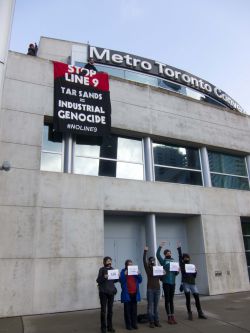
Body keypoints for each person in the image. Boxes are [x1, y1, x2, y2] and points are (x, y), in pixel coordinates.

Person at [177, 243, 207, 320]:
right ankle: (189, 313)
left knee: (197, 297)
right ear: (183, 259)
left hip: (192, 283)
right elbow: (180, 257)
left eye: (188, 257)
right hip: (185, 283)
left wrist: (195, 271)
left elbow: (194, 276)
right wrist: (179, 248)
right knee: (188, 298)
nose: (187, 258)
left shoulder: (192, 265)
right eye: (185, 257)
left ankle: (200, 313)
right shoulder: (182, 264)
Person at [156, 242, 179, 324]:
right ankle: (168, 316)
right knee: (167, 300)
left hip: (173, 282)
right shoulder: (163, 261)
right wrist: (160, 246)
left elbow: (176, 273)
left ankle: (173, 316)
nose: (169, 254)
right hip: (166, 282)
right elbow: (157, 255)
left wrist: (178, 271)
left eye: (170, 253)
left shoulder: (173, 261)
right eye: (168, 253)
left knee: (171, 300)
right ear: (165, 254)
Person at [96, 256, 119, 333]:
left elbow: (114, 281)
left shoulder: (113, 270)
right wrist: (104, 277)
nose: (109, 262)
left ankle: (110, 326)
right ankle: (103, 328)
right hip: (103, 292)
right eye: (108, 261)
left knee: (110, 311)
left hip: (111, 292)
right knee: (103, 311)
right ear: (104, 262)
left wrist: (117, 277)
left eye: (110, 261)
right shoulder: (102, 269)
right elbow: (98, 280)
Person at [120, 259, 142, 330]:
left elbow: (140, 280)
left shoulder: (135, 271)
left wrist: (139, 274)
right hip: (127, 294)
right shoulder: (123, 272)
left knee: (134, 310)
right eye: (129, 264)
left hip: (134, 293)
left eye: (131, 264)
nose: (130, 265)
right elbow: (121, 281)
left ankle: (134, 323)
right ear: (126, 265)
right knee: (127, 310)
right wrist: (124, 274)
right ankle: (128, 325)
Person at [143, 246, 161, 328]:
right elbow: (144, 261)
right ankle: (151, 321)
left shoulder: (157, 269)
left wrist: (163, 273)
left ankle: (157, 321)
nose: (152, 261)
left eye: (153, 260)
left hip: (157, 289)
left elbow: (161, 278)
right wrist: (145, 252)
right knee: (150, 306)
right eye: (151, 260)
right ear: (149, 262)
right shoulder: (148, 268)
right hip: (150, 289)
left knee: (156, 306)